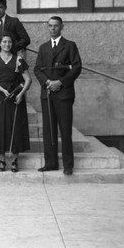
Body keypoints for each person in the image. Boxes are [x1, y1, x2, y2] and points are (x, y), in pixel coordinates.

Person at [34, 16, 82, 175]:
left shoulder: (69, 46)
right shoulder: (43, 47)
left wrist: (60, 82)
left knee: (65, 130)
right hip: (47, 93)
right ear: (47, 27)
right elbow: (37, 69)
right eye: (50, 26)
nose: (53, 29)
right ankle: (51, 163)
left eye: (56, 26)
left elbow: (76, 68)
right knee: (49, 130)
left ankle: (68, 165)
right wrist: (47, 82)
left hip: (64, 94)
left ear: (62, 27)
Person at [0, 32, 32, 173]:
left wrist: (20, 94)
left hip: (15, 95)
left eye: (9, 42)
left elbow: (28, 79)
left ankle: (14, 159)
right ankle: (1, 158)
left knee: (16, 126)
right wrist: (2, 90)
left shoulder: (18, 59)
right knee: (0, 125)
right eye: (4, 42)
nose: (7, 44)